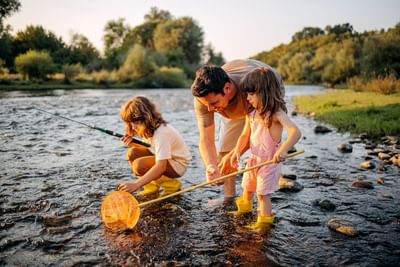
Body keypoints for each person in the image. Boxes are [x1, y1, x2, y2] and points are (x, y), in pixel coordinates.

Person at [191, 59, 284, 199]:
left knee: (262, 144)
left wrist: (237, 151)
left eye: (213, 103)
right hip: (234, 102)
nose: (210, 109)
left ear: (227, 88)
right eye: (207, 105)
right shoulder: (204, 98)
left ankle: (261, 193)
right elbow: (206, 138)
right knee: (224, 152)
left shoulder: (253, 90)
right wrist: (210, 166)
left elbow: (249, 133)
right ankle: (229, 198)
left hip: (268, 85)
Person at [228, 67, 301, 229]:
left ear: (265, 92)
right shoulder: (252, 113)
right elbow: (244, 135)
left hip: (269, 162)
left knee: (262, 194)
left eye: (251, 94)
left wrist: (282, 151)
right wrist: (237, 151)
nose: (247, 98)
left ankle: (264, 223)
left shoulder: (276, 114)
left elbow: (295, 132)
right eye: (246, 94)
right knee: (247, 188)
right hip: (254, 160)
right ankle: (244, 212)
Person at [117, 96, 191, 197]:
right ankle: (151, 187)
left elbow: (161, 166)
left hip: (177, 164)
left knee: (139, 165)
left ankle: (171, 185)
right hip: (164, 157)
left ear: (147, 118)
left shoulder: (161, 133)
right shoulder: (149, 127)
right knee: (132, 153)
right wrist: (132, 143)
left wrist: (136, 185)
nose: (133, 127)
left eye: (136, 123)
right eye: (130, 123)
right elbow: (151, 147)